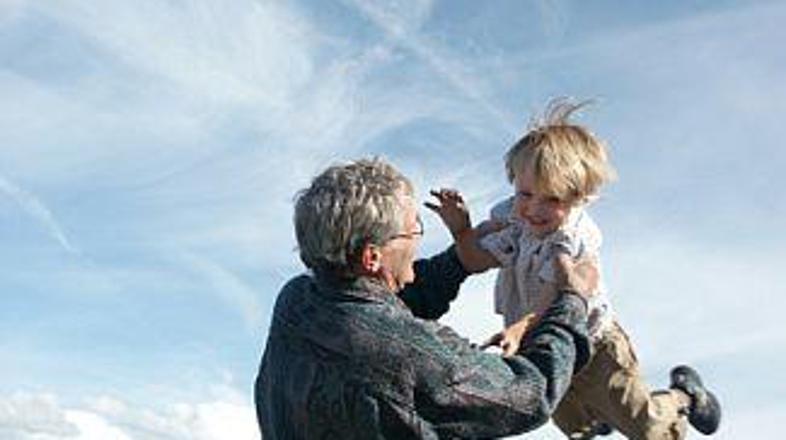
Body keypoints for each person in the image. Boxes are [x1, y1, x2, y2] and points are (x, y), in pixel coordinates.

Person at [434, 99, 721, 439]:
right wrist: (461, 229)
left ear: (578, 198)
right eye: (526, 193)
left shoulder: (573, 237)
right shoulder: (515, 221)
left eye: (552, 199)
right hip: (545, 344)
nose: (534, 208)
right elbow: (475, 259)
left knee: (646, 427)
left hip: (595, 347)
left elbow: (557, 292)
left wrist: (519, 329)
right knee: (574, 426)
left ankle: (684, 397)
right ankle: (597, 415)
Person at [255, 157, 596, 439]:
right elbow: (529, 394)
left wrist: (458, 260)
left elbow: (380, 307)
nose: (418, 238)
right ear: (372, 257)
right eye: (413, 229)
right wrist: (572, 300)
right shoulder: (411, 354)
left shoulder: (296, 300)